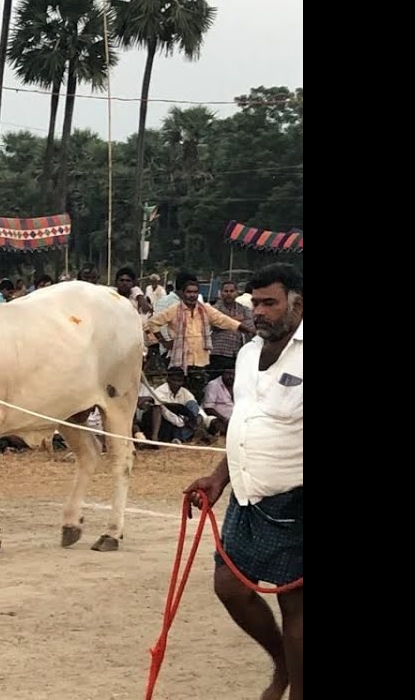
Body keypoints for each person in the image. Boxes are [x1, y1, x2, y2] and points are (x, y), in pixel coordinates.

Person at [184, 262, 303, 700]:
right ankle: (282, 664)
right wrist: (219, 478)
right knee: (229, 586)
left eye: (270, 303)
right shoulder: (249, 353)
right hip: (247, 495)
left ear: (298, 304)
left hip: (295, 499)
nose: (260, 312)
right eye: (256, 303)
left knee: (296, 608)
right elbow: (246, 423)